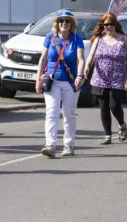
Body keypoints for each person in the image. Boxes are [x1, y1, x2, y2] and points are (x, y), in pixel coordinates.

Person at [35, 10, 85, 158]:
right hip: (52, 81)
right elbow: (43, 58)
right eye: (61, 21)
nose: (64, 24)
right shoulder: (50, 37)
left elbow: (81, 59)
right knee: (51, 112)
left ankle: (69, 145)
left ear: (72, 24)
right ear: (57, 23)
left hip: (70, 82)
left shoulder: (76, 39)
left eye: (67, 21)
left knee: (69, 114)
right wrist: (38, 78)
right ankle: (50, 145)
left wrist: (80, 76)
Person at [85, 12, 127, 145]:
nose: (109, 27)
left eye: (111, 24)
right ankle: (107, 135)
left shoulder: (123, 39)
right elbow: (91, 56)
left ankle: (122, 124)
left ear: (116, 25)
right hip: (100, 77)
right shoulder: (98, 39)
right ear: (103, 26)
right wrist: (87, 66)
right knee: (103, 107)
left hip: (117, 78)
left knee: (114, 105)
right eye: (106, 25)